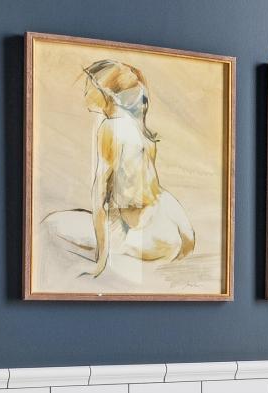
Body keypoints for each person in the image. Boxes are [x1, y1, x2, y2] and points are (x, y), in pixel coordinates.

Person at [42, 58, 196, 276]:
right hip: (165, 233)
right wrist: (184, 239)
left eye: (90, 86)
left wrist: (101, 261)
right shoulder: (141, 134)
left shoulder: (112, 127)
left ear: (106, 92)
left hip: (139, 236)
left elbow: (100, 194)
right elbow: (169, 209)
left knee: (51, 223)